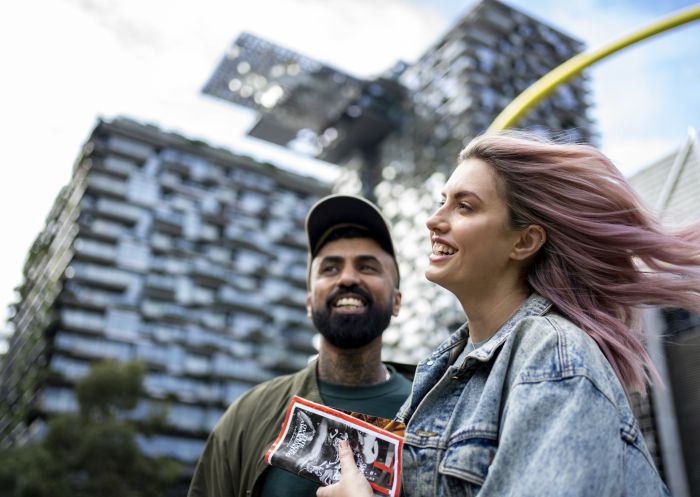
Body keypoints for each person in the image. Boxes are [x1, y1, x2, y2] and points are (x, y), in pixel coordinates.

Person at [319, 132, 700, 497]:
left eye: (464, 206)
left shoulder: (552, 352)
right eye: (442, 200)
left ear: (524, 241)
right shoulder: (446, 369)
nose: (434, 220)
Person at [187, 194, 413, 497]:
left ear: (396, 301)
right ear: (309, 302)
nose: (347, 278)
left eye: (367, 267)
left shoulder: (436, 411)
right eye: (330, 269)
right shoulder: (249, 416)